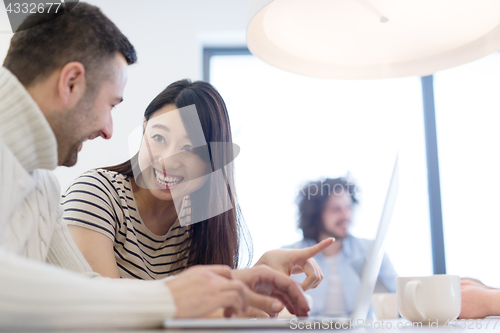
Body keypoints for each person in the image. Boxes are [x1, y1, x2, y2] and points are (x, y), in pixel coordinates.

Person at [0, 3, 312, 329]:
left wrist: (238, 284)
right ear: (72, 83)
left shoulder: (43, 188)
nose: (108, 130)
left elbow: (88, 292)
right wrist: (172, 299)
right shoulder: (88, 190)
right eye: (110, 105)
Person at [61, 79, 333, 314]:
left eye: (189, 147)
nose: (168, 160)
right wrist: (236, 299)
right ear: (143, 131)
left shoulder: (199, 222)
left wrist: (261, 273)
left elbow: (206, 307)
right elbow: (101, 310)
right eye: (159, 138)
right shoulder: (96, 193)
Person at [283, 178, 398, 316]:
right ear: (317, 214)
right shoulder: (289, 256)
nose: (346, 216)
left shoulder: (371, 251)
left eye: (348, 207)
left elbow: (398, 301)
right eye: (336, 209)